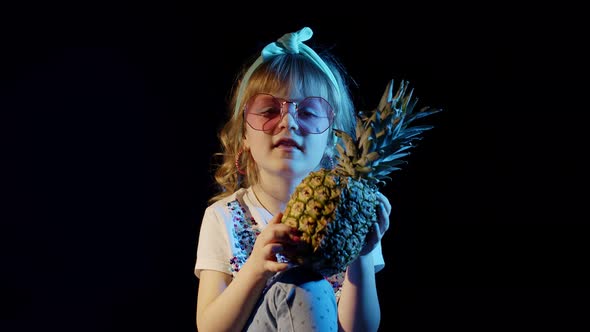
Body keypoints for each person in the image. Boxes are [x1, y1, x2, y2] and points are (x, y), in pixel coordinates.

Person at [194, 27, 391, 332]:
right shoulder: (224, 218)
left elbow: (361, 328)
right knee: (299, 286)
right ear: (244, 134)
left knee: (310, 288)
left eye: (310, 112)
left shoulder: (348, 218)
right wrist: (256, 269)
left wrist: (361, 257)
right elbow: (209, 327)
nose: (288, 122)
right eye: (269, 110)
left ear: (331, 139)